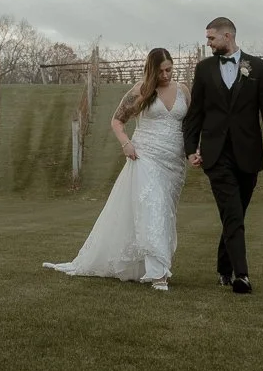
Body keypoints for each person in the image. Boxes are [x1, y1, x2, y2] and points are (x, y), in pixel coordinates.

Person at [43, 48, 188, 290]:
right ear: (151, 70)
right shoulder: (141, 91)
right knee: (152, 208)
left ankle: (144, 265)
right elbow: (117, 120)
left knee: (165, 211)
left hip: (174, 162)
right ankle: (158, 273)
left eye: (169, 69)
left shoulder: (183, 90)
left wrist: (196, 149)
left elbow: (192, 124)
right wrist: (126, 143)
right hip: (145, 156)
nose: (166, 75)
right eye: (161, 71)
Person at [182, 17, 263, 294]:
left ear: (228, 36)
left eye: (211, 38)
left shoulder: (258, 68)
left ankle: (224, 268)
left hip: (248, 154)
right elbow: (195, 114)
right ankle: (242, 276)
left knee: (235, 214)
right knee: (233, 213)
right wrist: (190, 150)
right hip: (215, 156)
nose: (208, 43)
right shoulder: (203, 69)